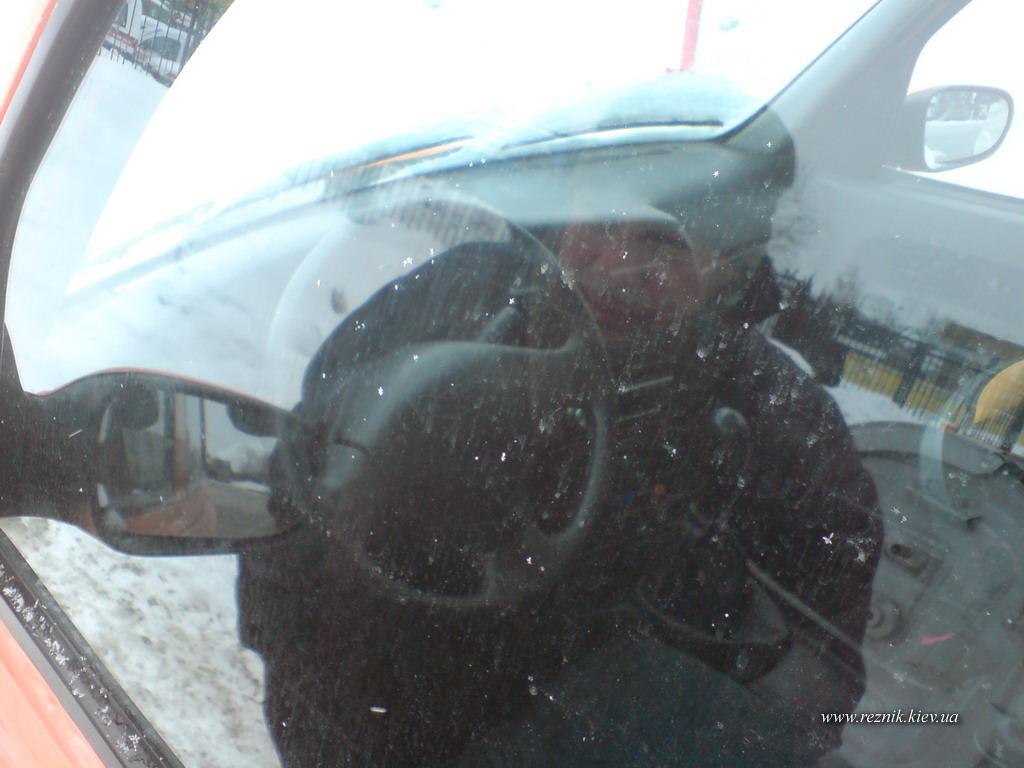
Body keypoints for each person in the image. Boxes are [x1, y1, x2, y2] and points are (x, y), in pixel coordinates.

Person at [236, 217, 883, 767]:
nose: (618, 265)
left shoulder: (784, 428)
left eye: (667, 244)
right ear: (568, 204)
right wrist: (314, 687)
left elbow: (810, 687)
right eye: (600, 220)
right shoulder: (459, 296)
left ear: (730, 270)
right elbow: (300, 485)